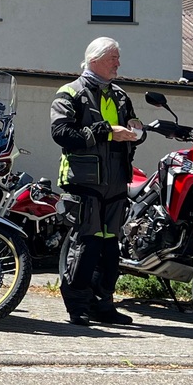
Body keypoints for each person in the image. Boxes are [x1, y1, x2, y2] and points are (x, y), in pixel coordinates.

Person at [51, 36, 145, 326]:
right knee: (86, 245)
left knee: (110, 249)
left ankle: (103, 305)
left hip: (116, 182)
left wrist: (136, 132)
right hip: (84, 181)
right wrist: (106, 132)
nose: (118, 63)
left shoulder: (120, 96)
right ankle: (78, 307)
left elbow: (129, 131)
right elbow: (61, 133)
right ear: (94, 60)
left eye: (118, 58)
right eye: (113, 58)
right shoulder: (70, 93)